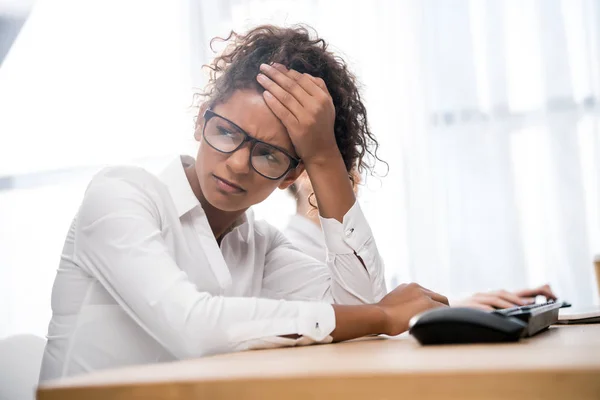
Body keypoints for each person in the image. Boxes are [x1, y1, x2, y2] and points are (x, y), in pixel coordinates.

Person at [39, 25, 449, 382]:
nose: (236, 164)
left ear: (292, 175)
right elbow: (194, 328)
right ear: (201, 121)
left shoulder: (261, 246)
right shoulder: (121, 195)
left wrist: (324, 158)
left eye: (269, 154)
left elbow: (357, 310)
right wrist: (382, 316)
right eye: (226, 132)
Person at [284, 171, 556, 311]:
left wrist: (465, 307)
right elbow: (360, 325)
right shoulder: (289, 254)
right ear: (292, 177)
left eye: (351, 163)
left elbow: (380, 313)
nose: (348, 175)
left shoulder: (349, 247)